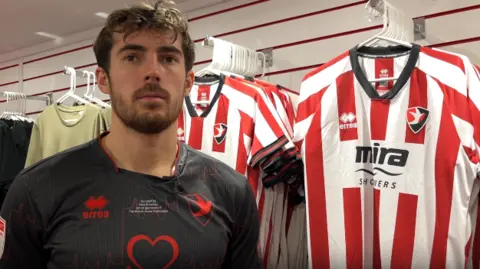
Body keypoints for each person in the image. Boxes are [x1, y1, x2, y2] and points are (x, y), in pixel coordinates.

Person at [0, 1, 262, 268]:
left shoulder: (232, 192)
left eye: (168, 58)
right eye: (132, 57)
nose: (152, 72)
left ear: (188, 82)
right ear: (103, 80)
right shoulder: (37, 190)